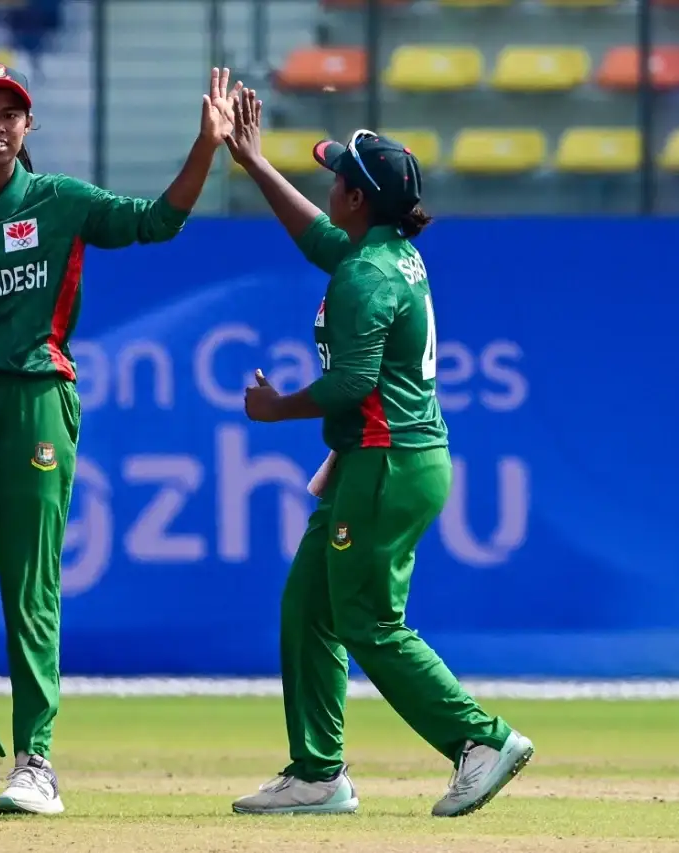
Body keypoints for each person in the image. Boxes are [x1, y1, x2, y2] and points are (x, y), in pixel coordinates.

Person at [0, 62, 238, 816]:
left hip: (34, 397)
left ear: (28, 126)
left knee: (30, 582)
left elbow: (158, 221)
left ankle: (36, 761)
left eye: (10, 114)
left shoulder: (61, 201)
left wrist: (207, 146)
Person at [224, 89, 534, 818]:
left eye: (337, 177)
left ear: (358, 199)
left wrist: (276, 408)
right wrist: (256, 162)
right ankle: (317, 774)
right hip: (385, 458)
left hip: (385, 461)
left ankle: (480, 739)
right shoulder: (386, 253)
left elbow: (353, 383)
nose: (329, 184)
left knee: (368, 621)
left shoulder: (366, 274)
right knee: (310, 607)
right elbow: (315, 237)